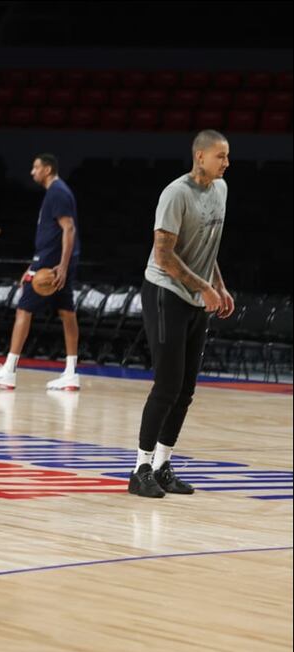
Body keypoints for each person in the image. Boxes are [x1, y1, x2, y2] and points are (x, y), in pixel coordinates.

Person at [129, 130, 234, 499]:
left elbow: (207, 246)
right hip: (165, 292)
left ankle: (162, 466)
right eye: (220, 156)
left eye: (227, 156)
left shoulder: (220, 190)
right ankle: (139, 468)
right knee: (168, 385)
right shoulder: (176, 193)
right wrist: (203, 288)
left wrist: (217, 285)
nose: (227, 163)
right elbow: (164, 256)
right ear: (200, 156)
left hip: (196, 295)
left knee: (186, 389)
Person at [0, 154, 81, 390]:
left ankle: (9, 370)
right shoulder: (58, 191)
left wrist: (59, 265)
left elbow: (69, 228)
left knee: (24, 310)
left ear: (47, 169)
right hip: (53, 260)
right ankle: (71, 372)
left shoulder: (58, 192)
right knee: (67, 313)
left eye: (35, 167)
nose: (32, 172)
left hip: (51, 263)